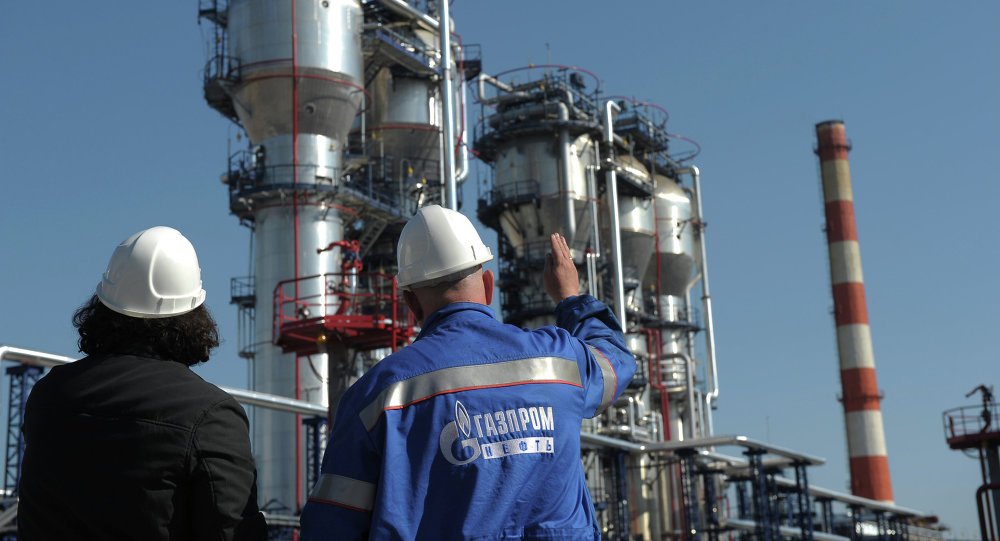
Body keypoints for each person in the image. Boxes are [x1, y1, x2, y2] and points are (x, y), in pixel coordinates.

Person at [300, 205, 636, 540]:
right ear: (488, 285)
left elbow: (331, 526)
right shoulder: (559, 361)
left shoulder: (374, 398)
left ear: (411, 303)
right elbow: (614, 363)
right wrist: (570, 298)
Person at [18, 226, 267, 541]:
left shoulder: (49, 394)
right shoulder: (211, 415)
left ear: (103, 307)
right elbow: (231, 531)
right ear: (193, 316)